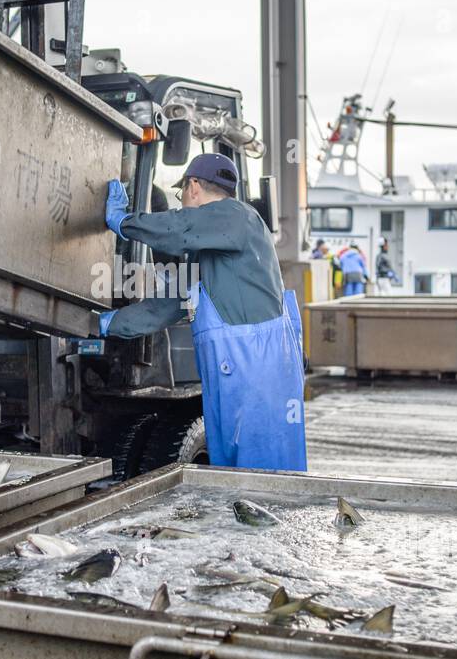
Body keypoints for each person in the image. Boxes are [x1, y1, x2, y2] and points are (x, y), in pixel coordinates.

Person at [99, 153, 307, 472]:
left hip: (256, 368)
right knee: (230, 470)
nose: (181, 201)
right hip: (233, 372)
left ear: (193, 186)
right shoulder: (208, 251)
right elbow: (171, 303)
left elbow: (178, 228)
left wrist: (123, 222)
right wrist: (112, 324)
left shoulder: (237, 216)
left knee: (264, 473)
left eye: (181, 192)